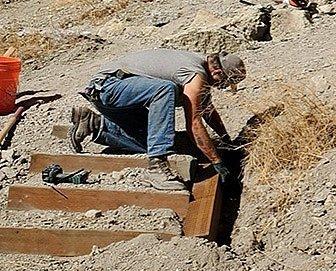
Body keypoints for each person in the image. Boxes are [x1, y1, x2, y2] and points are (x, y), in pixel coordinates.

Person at [68, 49, 246, 190]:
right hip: (108, 87)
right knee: (165, 90)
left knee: (163, 143)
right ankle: (157, 166)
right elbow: (194, 123)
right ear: (217, 71)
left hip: (120, 94)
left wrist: (227, 141)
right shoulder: (195, 74)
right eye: (224, 83)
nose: (222, 87)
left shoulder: (200, 70)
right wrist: (217, 162)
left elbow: (208, 111)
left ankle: (95, 124)